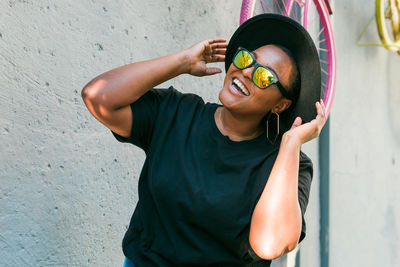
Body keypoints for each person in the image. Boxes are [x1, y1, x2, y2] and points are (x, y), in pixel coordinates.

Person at [81, 13, 326, 267]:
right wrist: (182, 61)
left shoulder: (289, 165)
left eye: (263, 76)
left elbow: (270, 244)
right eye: (246, 59)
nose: (245, 71)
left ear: (280, 105)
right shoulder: (176, 112)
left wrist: (290, 144)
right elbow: (98, 97)